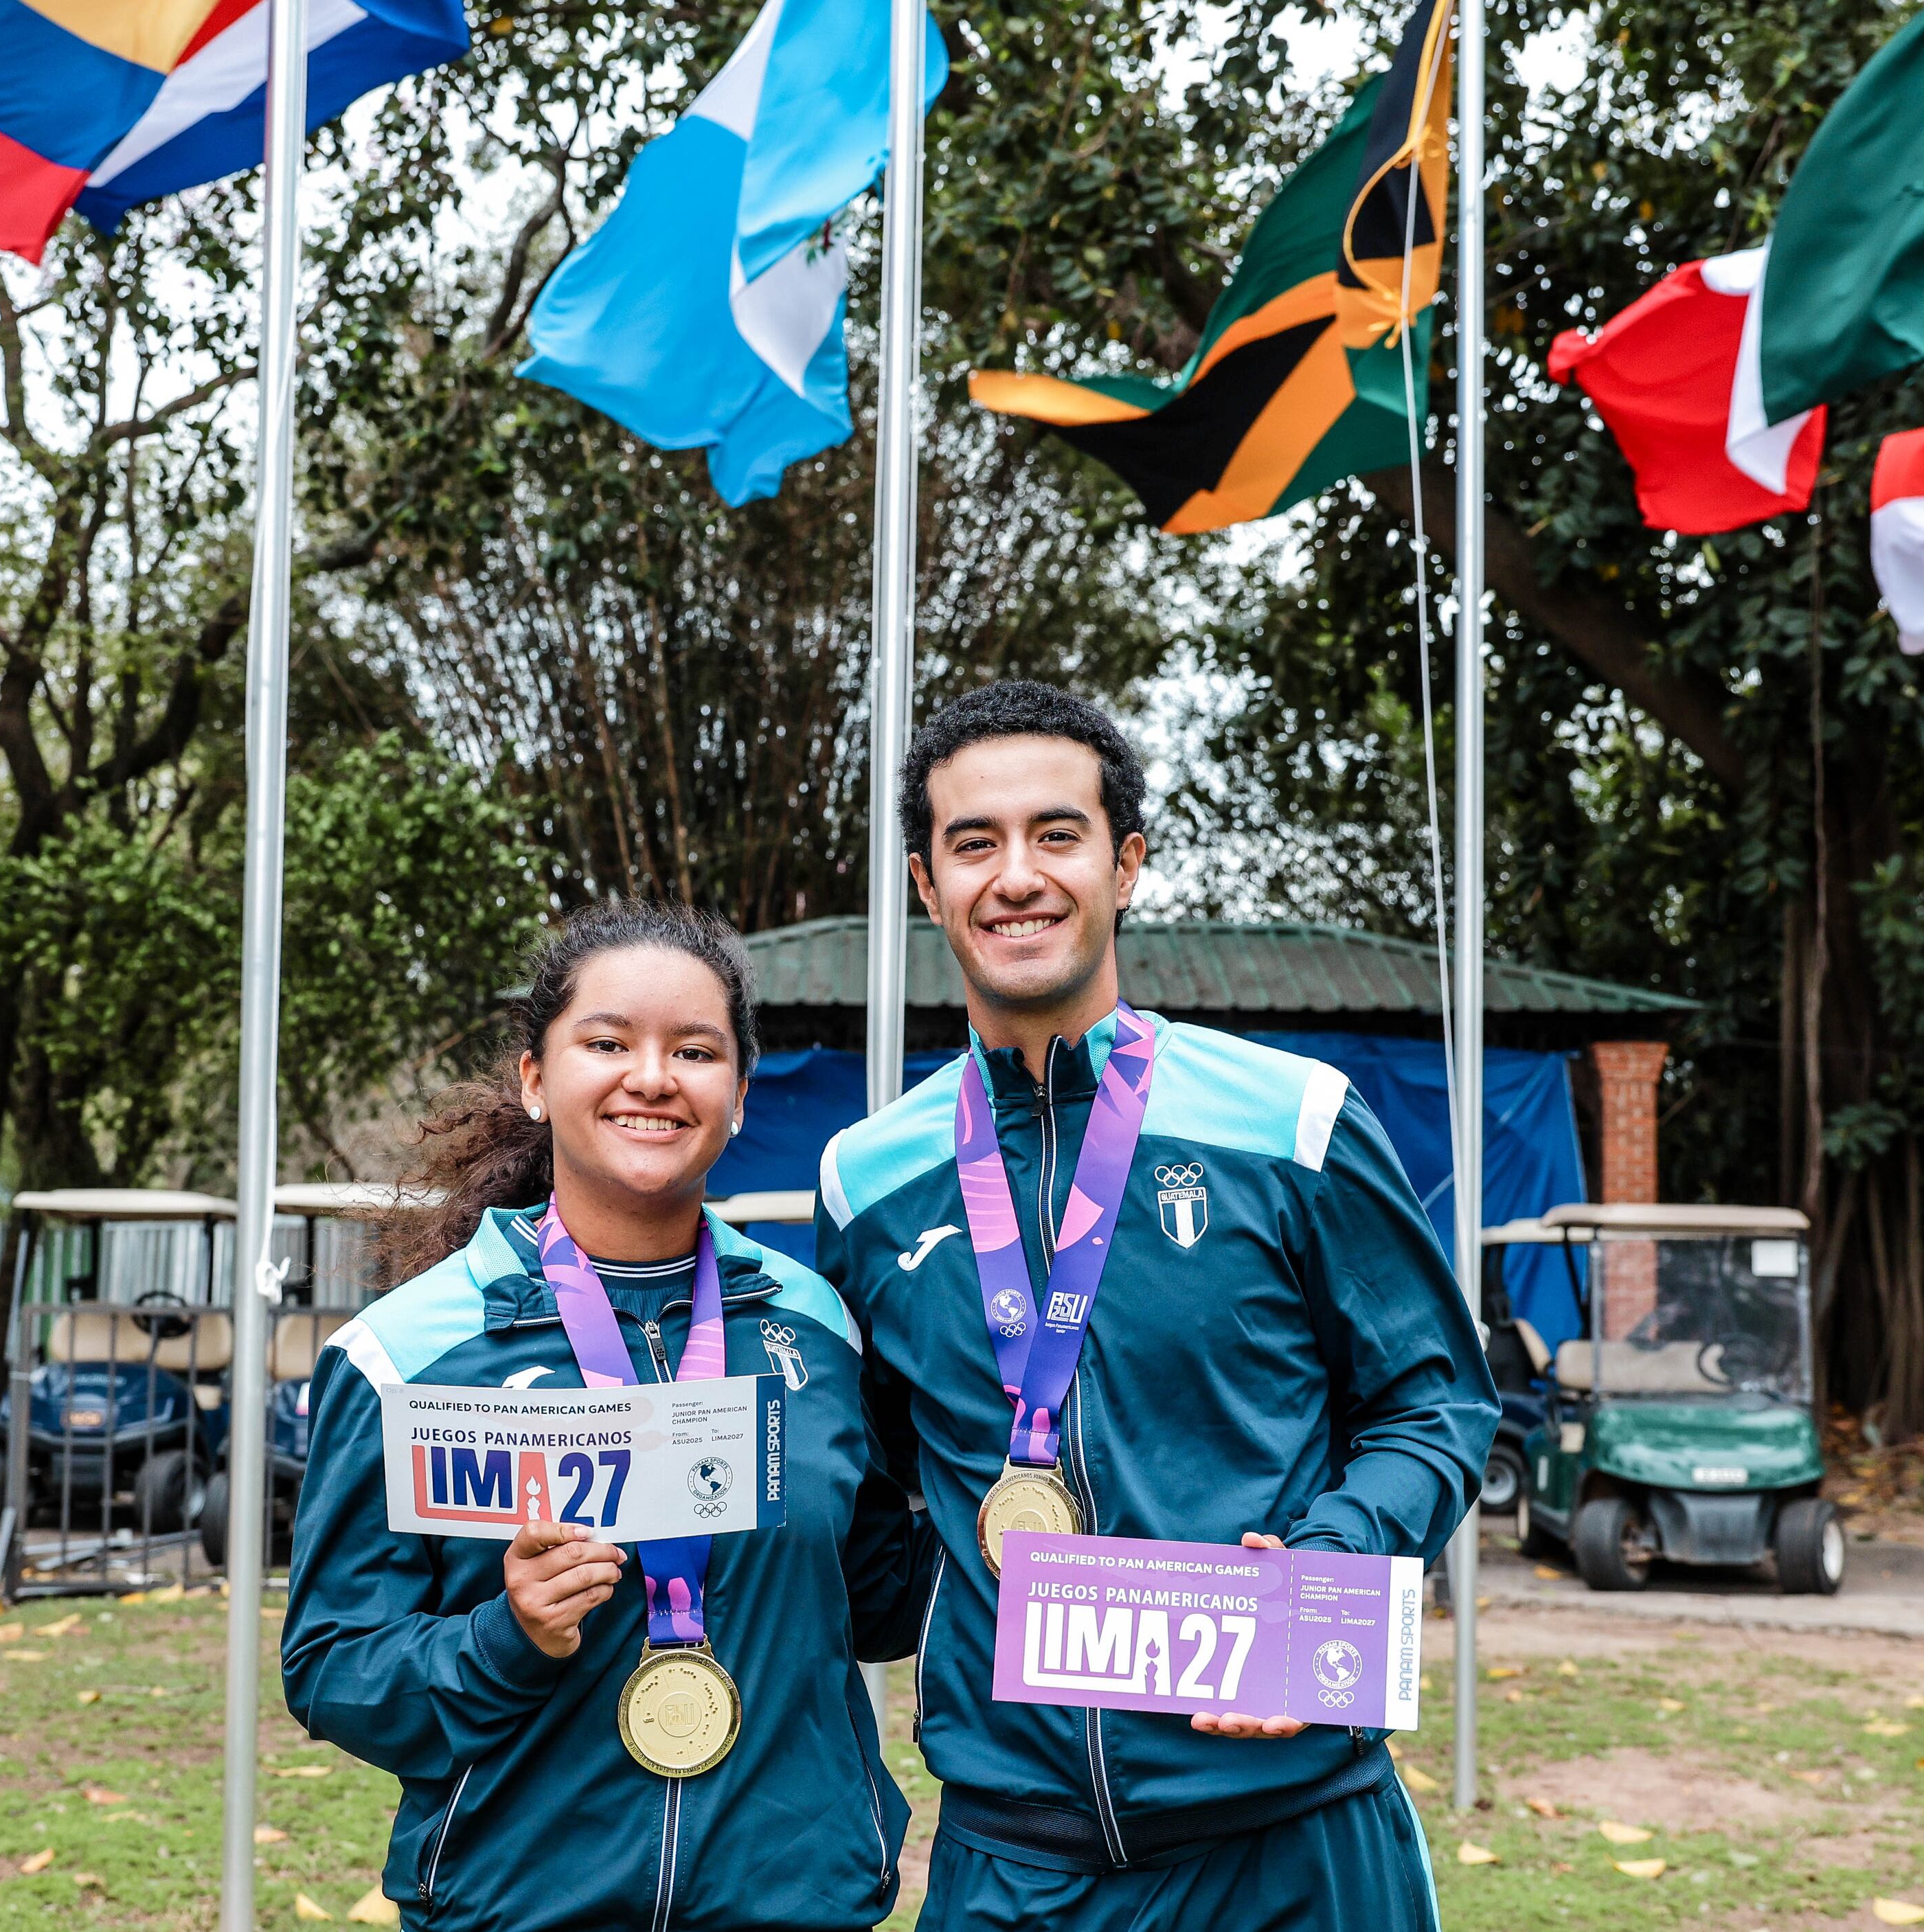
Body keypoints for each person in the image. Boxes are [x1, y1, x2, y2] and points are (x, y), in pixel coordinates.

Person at [817, 681, 1495, 1931]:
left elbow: (1436, 1398)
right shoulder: (865, 1181)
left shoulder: (1294, 1119)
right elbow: (867, 1482)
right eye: (975, 842)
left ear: (1125, 863)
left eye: (1056, 833)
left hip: (1291, 1834)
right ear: (928, 883)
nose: (1016, 874)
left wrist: (1333, 1556)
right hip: (1013, 1859)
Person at [281, 902, 931, 1931]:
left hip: (796, 1902)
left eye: (696, 1049)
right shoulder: (405, 1353)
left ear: (739, 1095)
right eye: (608, 1042)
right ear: (537, 1080)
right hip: (519, 1909)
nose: (653, 1076)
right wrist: (507, 1636)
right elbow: (332, 1668)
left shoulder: (820, 1332)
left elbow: (880, 1600)